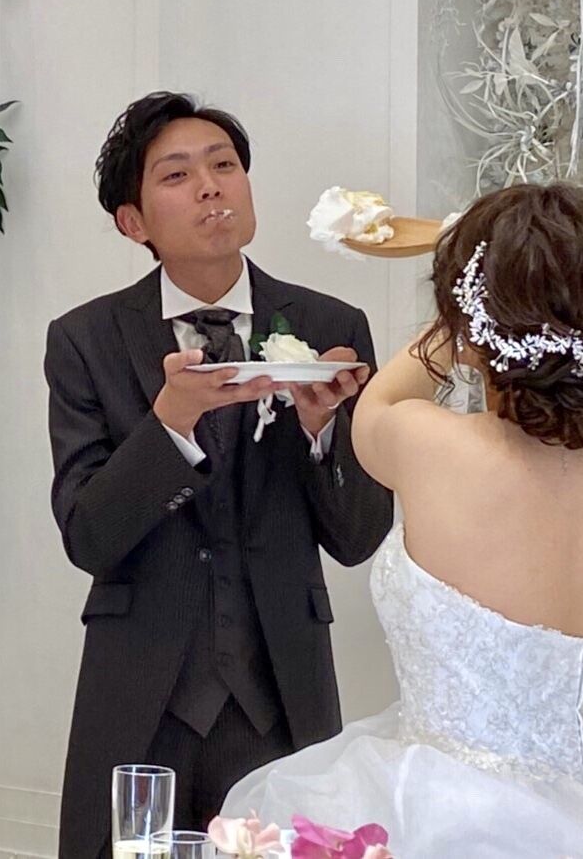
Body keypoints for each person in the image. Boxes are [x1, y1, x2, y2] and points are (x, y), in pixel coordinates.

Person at [45, 92, 393, 859]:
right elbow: (89, 537)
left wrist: (320, 430)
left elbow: (360, 536)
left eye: (225, 165)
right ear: (132, 221)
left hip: (280, 697)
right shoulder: (85, 340)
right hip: (141, 700)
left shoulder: (330, 328)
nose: (210, 187)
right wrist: (169, 425)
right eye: (177, 175)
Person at [223, 182, 583, 856]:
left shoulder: (428, 443)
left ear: (469, 324)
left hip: (438, 815)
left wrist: (456, 309)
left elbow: (381, 401)